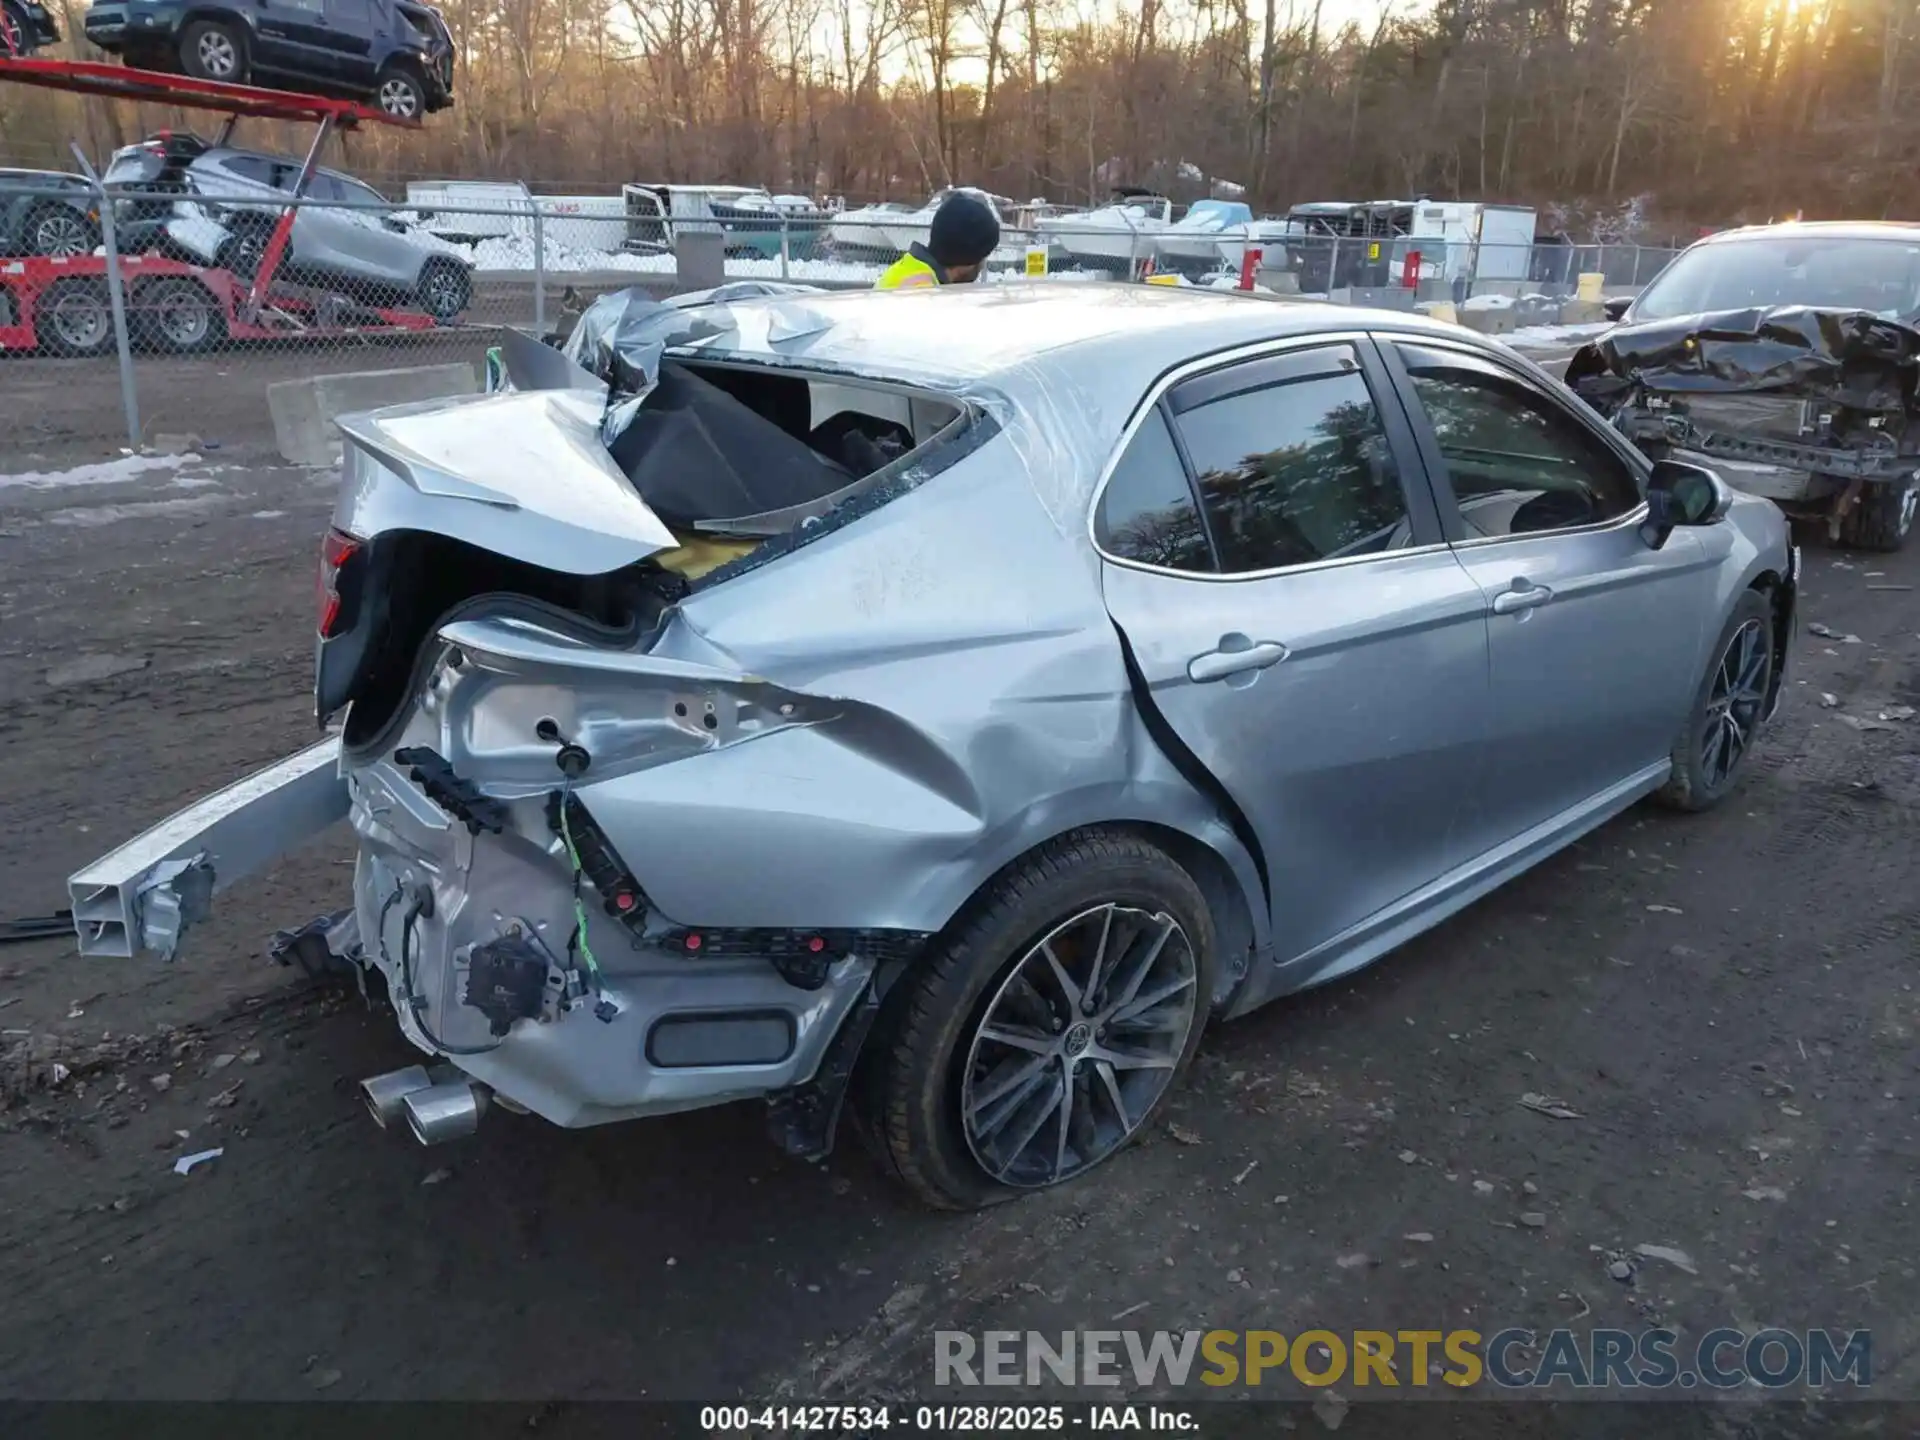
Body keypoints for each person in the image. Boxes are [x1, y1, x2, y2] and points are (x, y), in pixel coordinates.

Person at [875, 192, 1000, 289]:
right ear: (969, 262)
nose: (982, 265)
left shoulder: (909, 269)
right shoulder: (925, 292)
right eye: (982, 257)